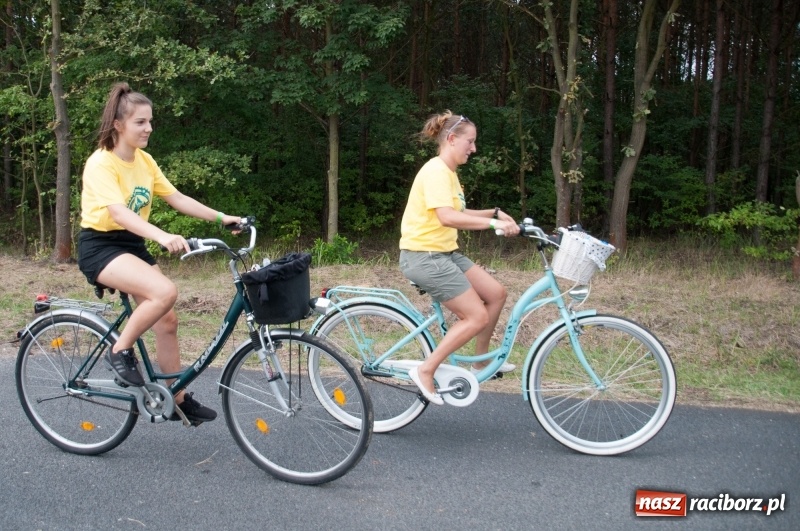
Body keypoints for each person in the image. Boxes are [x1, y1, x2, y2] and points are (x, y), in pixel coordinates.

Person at [77, 82, 240, 423]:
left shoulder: (145, 161)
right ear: (119, 125)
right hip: (100, 246)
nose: (149, 128)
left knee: (166, 318)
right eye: (140, 122)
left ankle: (176, 400)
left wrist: (222, 218)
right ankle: (120, 351)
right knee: (165, 291)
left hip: (130, 246)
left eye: (150, 121)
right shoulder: (101, 163)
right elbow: (119, 213)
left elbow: (177, 198)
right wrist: (162, 235)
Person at [399, 111, 520, 405]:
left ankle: (480, 361)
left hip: (444, 253)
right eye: (471, 141)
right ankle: (427, 370)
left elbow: (460, 212)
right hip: (424, 256)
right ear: (452, 139)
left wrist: (494, 213)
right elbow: (447, 217)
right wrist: (495, 225)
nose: (474, 148)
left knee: (496, 293)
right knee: (476, 315)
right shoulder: (436, 170)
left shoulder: (450, 173)